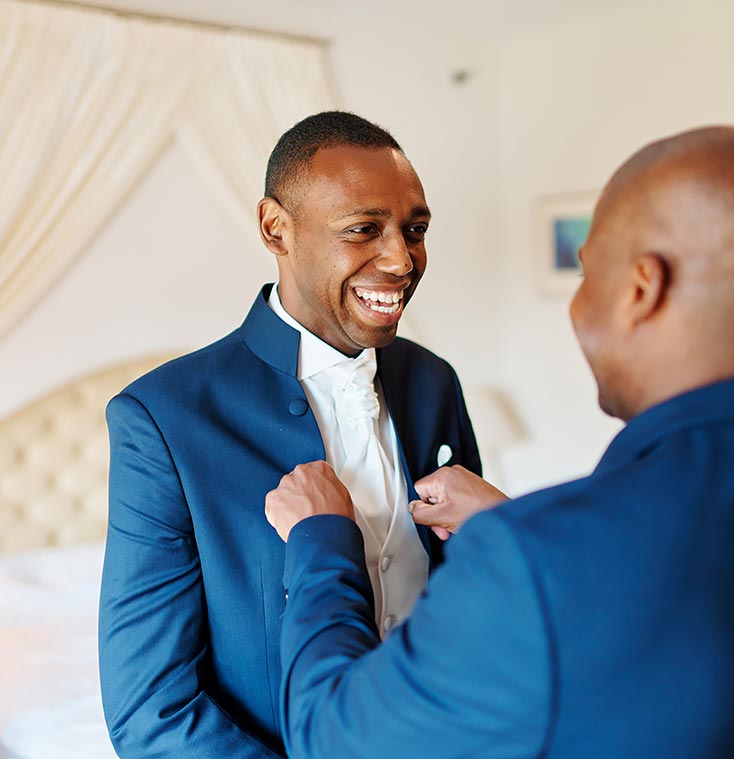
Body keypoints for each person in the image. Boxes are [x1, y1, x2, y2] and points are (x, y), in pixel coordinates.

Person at [265, 125, 734, 758]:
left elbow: (333, 738)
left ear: (640, 289)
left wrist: (322, 541)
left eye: (586, 275)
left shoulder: (540, 559)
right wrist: (520, 528)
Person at [98, 111, 481, 758]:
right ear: (276, 228)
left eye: (414, 230)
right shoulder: (165, 417)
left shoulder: (433, 380)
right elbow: (150, 712)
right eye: (364, 229)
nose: (402, 259)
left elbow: (468, 592)